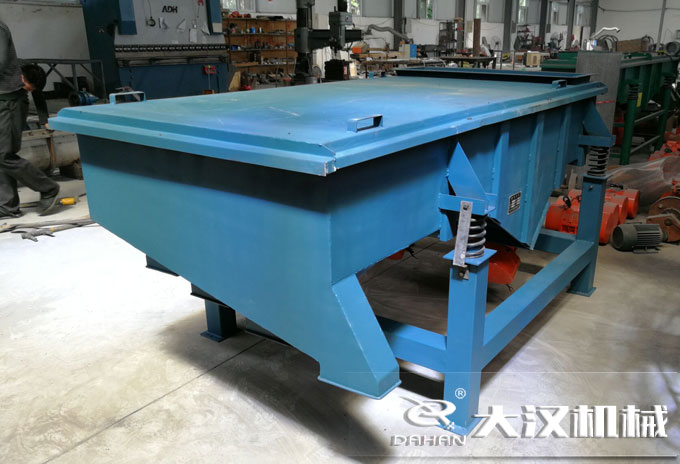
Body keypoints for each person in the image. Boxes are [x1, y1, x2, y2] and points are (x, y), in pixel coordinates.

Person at [0, 20, 60, 219]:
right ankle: (7, 207)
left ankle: (48, 188)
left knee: (3, 155)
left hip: (10, 103)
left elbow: (0, 62)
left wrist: (44, 119)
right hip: (3, 101)